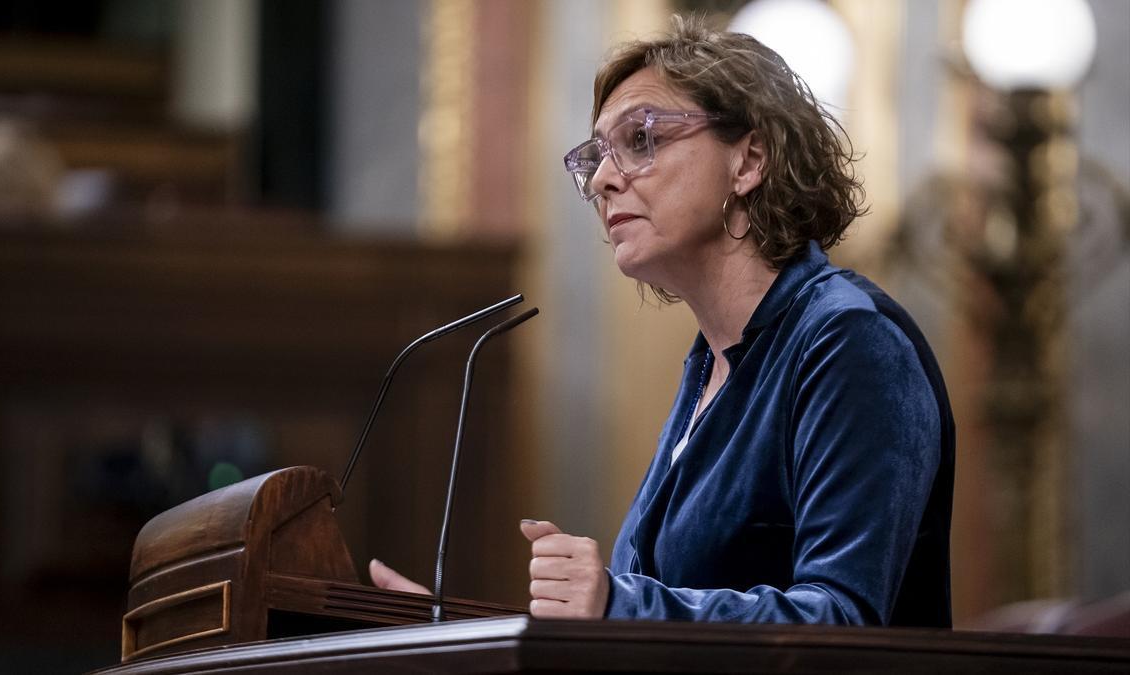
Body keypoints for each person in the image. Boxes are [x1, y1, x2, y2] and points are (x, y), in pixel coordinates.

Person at [371, 16, 954, 627]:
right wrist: (456, 636)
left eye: (641, 139)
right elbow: (650, 628)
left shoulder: (849, 342)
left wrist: (616, 603)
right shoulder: (710, 361)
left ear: (748, 159)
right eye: (595, 156)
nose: (601, 179)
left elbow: (844, 622)